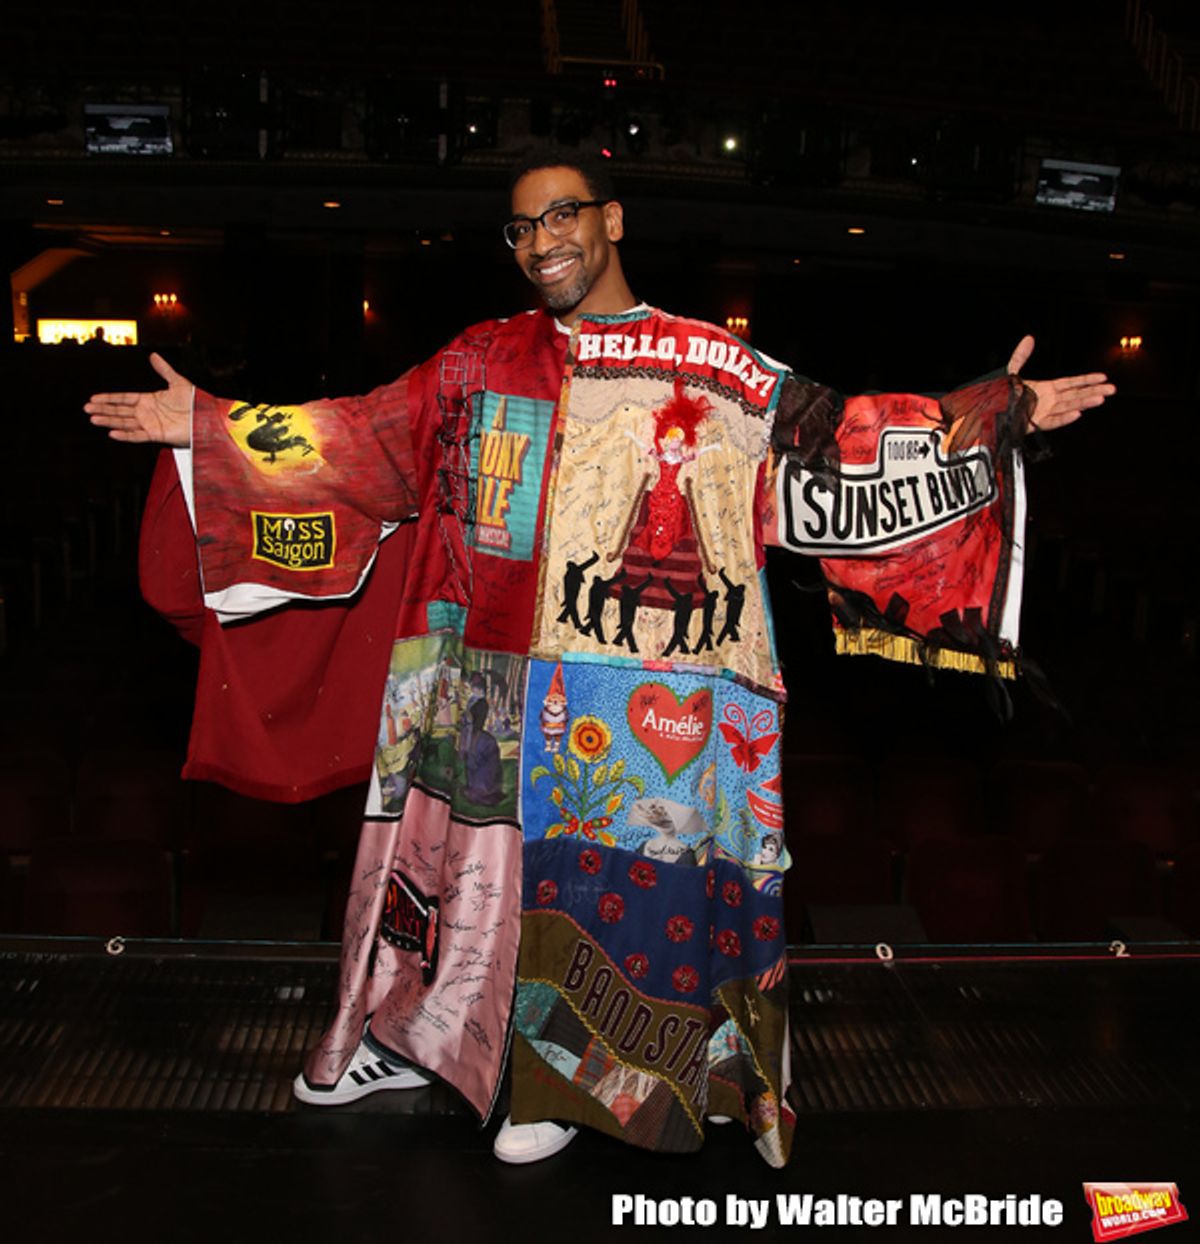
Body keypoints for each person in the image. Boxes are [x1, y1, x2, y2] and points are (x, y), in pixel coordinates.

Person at [86, 152, 1113, 1167]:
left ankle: (566, 1083)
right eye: (523, 227)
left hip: (638, 700)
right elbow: (363, 437)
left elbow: (830, 439)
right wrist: (210, 425)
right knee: (452, 876)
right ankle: (411, 1038)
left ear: (613, 220)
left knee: (602, 893)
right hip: (476, 680)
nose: (542, 241)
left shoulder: (713, 362)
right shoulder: (476, 360)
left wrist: (992, 418)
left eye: (563, 215)